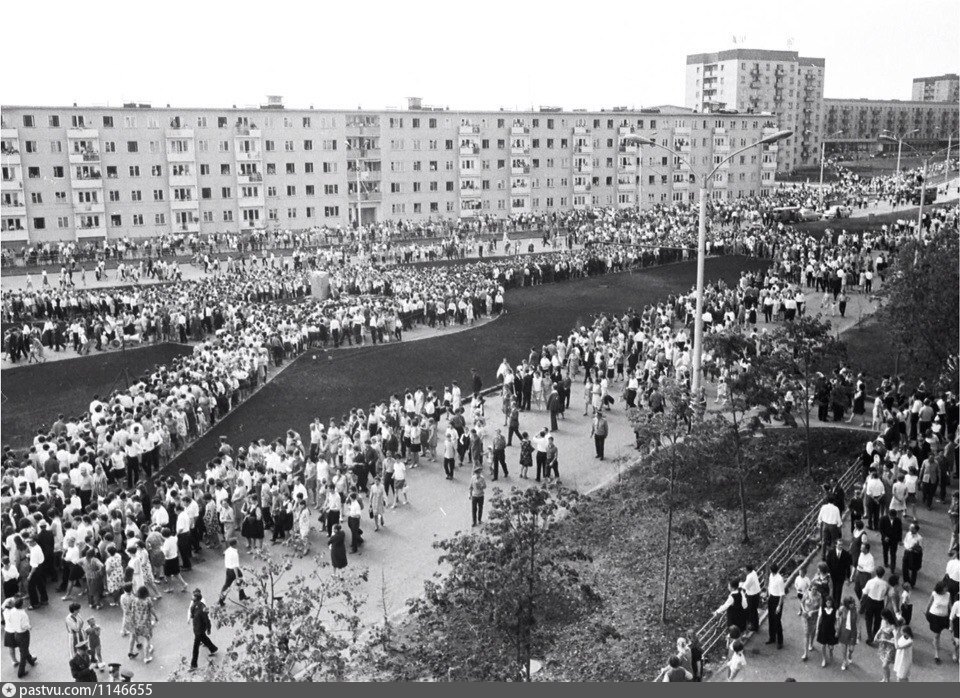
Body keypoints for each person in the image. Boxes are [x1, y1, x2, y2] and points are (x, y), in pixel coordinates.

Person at [6, 597, 37, 678]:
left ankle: (30, 661)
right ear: (21, 605)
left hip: (16, 633)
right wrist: (29, 627)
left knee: (23, 648)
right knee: (23, 652)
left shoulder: (12, 611)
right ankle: (21, 672)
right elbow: (25, 625)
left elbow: (9, 620)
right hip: (23, 634)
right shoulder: (23, 614)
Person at [188, 589, 218, 671]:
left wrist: (209, 628)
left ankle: (193, 665)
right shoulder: (194, 606)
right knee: (204, 639)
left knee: (195, 648)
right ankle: (213, 648)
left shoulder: (203, 607)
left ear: (196, 598)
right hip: (197, 628)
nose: (192, 597)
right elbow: (192, 615)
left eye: (193, 596)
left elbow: (206, 619)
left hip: (199, 630)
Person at [927, 581, 951, 663]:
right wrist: (927, 612)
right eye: (945, 588)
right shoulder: (934, 594)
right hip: (935, 616)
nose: (947, 589)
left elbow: (949, 605)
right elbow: (929, 603)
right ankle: (936, 654)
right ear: (940, 589)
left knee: (940, 633)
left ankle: (935, 641)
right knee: (937, 635)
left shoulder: (948, 594)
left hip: (944, 617)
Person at [218, 540, 248, 606]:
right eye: (237, 543)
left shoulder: (228, 550)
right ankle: (242, 596)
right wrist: (237, 577)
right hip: (234, 571)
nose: (238, 543)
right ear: (234, 544)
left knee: (226, 585)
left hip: (228, 570)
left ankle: (221, 600)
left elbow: (224, 553)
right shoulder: (235, 554)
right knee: (239, 582)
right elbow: (235, 566)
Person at [800, 582, 822, 661]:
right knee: (806, 634)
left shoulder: (819, 596)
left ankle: (811, 643)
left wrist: (814, 611)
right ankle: (805, 653)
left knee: (812, 632)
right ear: (810, 588)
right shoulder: (806, 594)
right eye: (813, 589)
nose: (814, 591)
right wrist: (804, 610)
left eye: (816, 589)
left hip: (814, 617)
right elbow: (801, 602)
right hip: (806, 617)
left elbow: (820, 608)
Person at [837, 596, 859, 671]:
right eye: (850, 604)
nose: (852, 605)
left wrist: (859, 633)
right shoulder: (842, 609)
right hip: (843, 630)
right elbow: (837, 615)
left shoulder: (856, 610)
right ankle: (844, 661)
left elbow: (858, 622)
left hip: (853, 631)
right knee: (844, 648)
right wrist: (837, 626)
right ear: (846, 604)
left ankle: (849, 655)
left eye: (853, 603)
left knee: (851, 649)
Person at [766, 563, 785, 649]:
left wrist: (779, 606)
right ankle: (772, 637)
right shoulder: (771, 576)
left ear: (771, 570)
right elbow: (769, 586)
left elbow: (782, 594)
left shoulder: (780, 579)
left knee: (777, 621)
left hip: (777, 600)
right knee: (770, 618)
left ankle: (780, 642)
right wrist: (768, 595)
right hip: (771, 598)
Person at [874, 610, 897, 682]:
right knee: (884, 663)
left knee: (885, 665)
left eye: (884, 618)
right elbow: (881, 628)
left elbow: (896, 640)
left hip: (890, 647)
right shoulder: (883, 621)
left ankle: (887, 680)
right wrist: (876, 635)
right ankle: (885, 678)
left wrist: (885, 640)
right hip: (883, 645)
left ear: (887, 618)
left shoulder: (893, 626)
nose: (883, 620)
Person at [816, 596, 839, 667]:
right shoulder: (822, 609)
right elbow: (819, 619)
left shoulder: (835, 610)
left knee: (831, 647)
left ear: (832, 603)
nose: (828, 603)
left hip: (831, 630)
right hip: (823, 629)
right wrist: (817, 629)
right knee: (823, 645)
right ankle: (824, 659)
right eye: (827, 602)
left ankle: (831, 652)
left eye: (830, 602)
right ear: (825, 602)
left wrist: (837, 631)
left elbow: (837, 621)